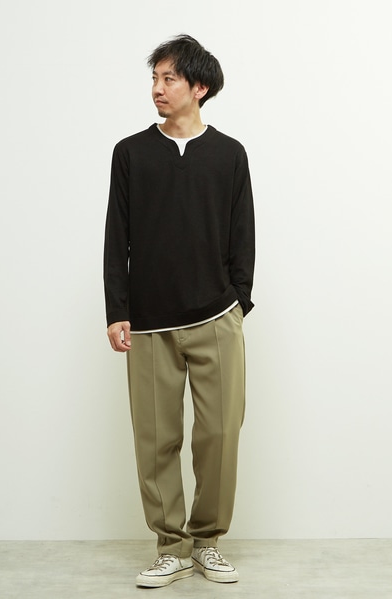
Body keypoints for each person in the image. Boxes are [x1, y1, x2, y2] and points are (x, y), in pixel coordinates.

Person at [103, 34, 255, 588]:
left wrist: (238, 300)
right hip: (148, 322)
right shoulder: (131, 153)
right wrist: (117, 309)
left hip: (217, 317)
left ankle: (207, 542)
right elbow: (116, 234)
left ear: (200, 87)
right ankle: (171, 547)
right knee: (155, 438)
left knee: (220, 435)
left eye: (169, 79)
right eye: (155, 78)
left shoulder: (230, 154)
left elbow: (243, 234)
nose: (157, 89)